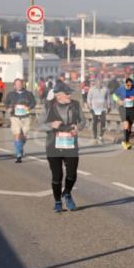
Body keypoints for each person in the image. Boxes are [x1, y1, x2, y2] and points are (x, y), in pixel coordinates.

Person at [44, 83, 83, 212]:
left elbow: (83, 121)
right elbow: (38, 125)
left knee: (72, 174)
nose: (69, 95)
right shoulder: (49, 106)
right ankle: (57, 201)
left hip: (70, 144)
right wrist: (51, 125)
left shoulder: (75, 105)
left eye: (70, 92)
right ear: (58, 95)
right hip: (53, 146)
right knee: (57, 175)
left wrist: (78, 127)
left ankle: (66, 193)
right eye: (67, 93)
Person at [4, 78, 36, 162]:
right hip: (15, 117)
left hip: (26, 117)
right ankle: (18, 155)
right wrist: (9, 108)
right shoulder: (10, 94)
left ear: (23, 85)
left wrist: (29, 107)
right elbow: (6, 103)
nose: (18, 86)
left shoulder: (28, 94)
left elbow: (33, 102)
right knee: (17, 134)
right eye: (16, 84)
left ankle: (20, 148)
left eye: (20, 84)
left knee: (24, 136)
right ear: (14, 85)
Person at [113, 77, 134, 149]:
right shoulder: (121, 88)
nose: (129, 87)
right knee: (125, 124)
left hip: (131, 109)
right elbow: (114, 95)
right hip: (123, 108)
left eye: (130, 85)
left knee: (129, 127)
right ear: (125, 84)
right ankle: (125, 143)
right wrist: (118, 101)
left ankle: (126, 141)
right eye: (128, 85)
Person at [85, 79, 111, 143]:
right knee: (95, 122)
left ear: (102, 83)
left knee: (103, 123)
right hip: (94, 108)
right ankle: (95, 136)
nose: (99, 84)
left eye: (100, 83)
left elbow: (108, 98)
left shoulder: (105, 89)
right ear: (95, 83)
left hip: (103, 108)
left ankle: (101, 136)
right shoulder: (91, 89)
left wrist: (109, 106)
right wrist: (89, 106)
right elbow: (88, 98)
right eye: (98, 83)